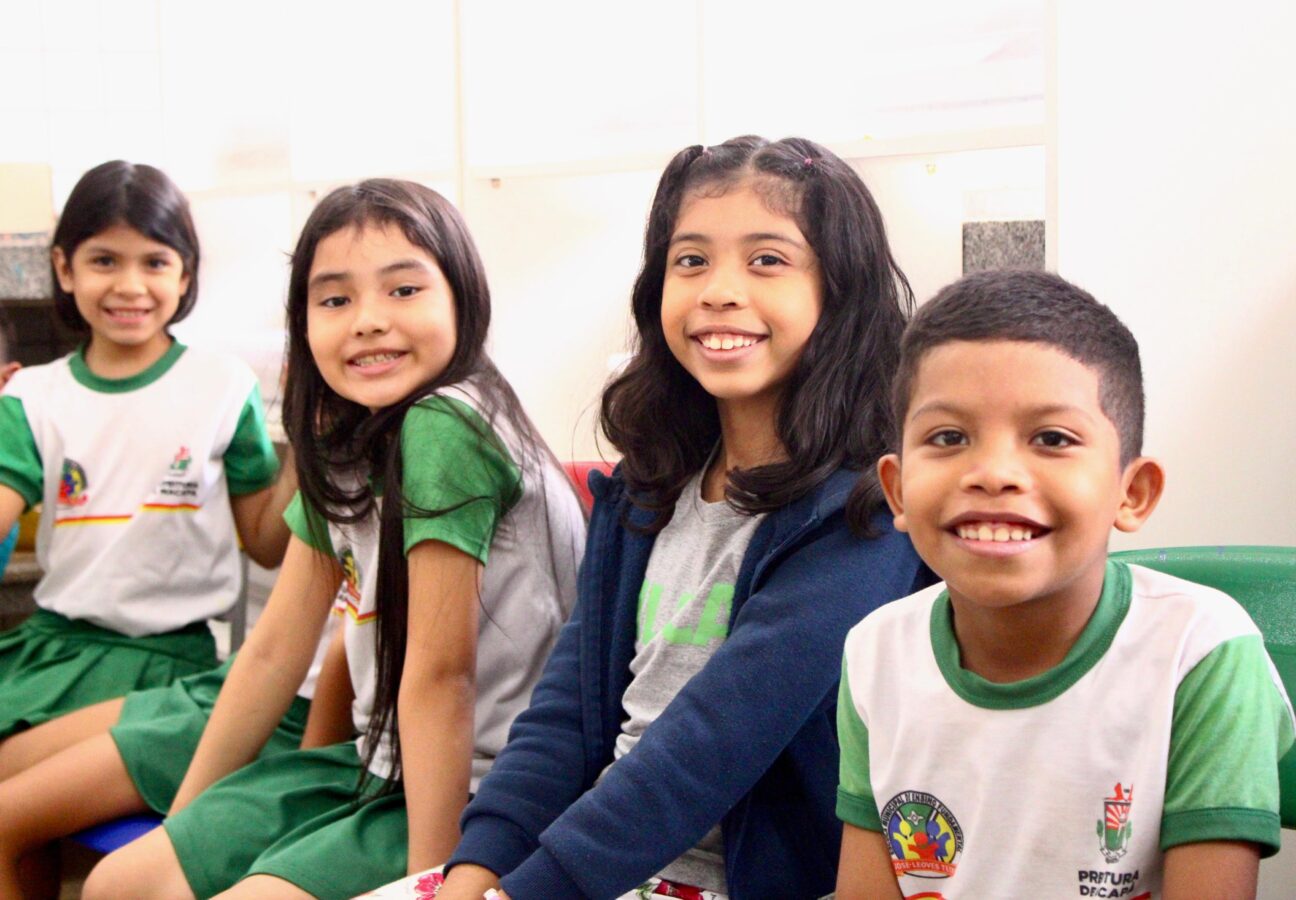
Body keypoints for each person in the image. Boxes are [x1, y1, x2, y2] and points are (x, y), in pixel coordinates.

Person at [396, 135, 931, 900]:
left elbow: (708, 745)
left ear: (840, 292)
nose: (719, 290)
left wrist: (525, 892)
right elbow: (563, 718)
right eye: (691, 261)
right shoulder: (644, 490)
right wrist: (475, 872)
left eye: (767, 260)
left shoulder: (864, 512)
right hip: (597, 870)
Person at [83, 178, 587, 899]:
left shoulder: (446, 424)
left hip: (485, 791)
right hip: (379, 765)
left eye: (404, 290)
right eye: (335, 300)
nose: (368, 322)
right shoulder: (350, 438)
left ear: (463, 297)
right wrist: (185, 820)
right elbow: (272, 651)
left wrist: (428, 883)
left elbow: (442, 679)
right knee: (119, 883)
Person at [834, 269, 1296, 900]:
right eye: (948, 437)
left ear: (1132, 493)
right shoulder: (875, 652)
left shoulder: (1202, 653)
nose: (993, 473)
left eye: (1052, 438)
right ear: (896, 491)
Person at [0, 160, 294, 746]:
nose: (130, 286)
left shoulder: (224, 385)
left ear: (185, 274)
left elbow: (265, 544)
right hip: (51, 650)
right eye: (104, 261)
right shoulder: (31, 396)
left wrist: (314, 449)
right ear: (64, 268)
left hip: (174, 663)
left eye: (155, 262)